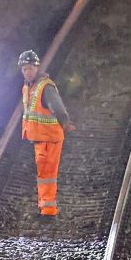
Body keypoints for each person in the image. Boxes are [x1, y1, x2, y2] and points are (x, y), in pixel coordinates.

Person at [19, 50, 75, 217]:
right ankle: (45, 206)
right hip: (40, 137)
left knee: (47, 173)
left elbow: (58, 108)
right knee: (44, 173)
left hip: (50, 137)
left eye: (29, 68)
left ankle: (48, 210)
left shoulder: (45, 86)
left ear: (37, 68)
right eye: (24, 69)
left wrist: (65, 123)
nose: (27, 72)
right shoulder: (27, 88)